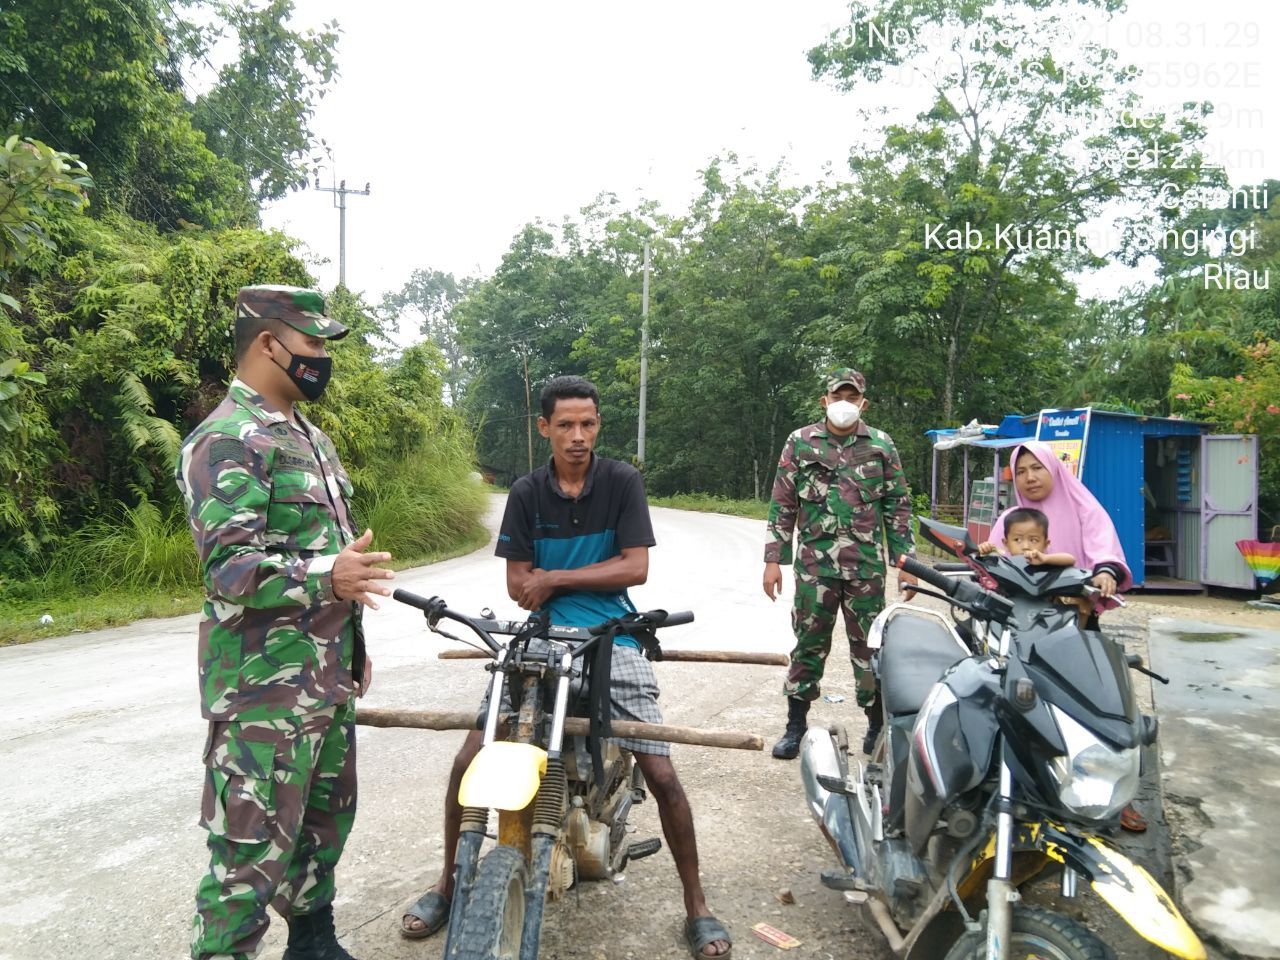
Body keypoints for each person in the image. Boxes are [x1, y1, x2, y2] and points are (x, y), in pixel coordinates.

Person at [401, 375, 731, 960]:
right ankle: (448, 883)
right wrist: (548, 584)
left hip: (613, 637)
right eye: (566, 425)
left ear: (597, 426)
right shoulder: (527, 493)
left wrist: (554, 578)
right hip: (542, 637)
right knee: (467, 758)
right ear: (545, 428)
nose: (578, 436)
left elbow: (634, 570)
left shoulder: (621, 481)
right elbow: (514, 584)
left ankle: (697, 904)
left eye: (589, 424)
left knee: (660, 770)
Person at [177, 285, 395, 960]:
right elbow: (229, 569)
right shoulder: (224, 440)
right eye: (314, 345)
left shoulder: (309, 437)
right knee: (246, 857)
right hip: (261, 695)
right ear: (269, 344)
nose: (322, 359)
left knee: (323, 829)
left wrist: (349, 645)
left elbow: (325, 553)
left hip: (321, 683)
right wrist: (326, 577)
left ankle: (314, 945)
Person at [986, 441, 1146, 832]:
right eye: (1021, 471)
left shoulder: (1082, 505)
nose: (1030, 477)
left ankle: (1118, 791)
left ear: (1053, 468)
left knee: (1098, 699)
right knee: (1012, 696)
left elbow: (1102, 549)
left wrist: (1105, 573)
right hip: (1018, 622)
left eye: (1036, 468)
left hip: (1074, 618)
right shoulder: (1012, 516)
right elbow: (988, 568)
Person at [763, 368, 915, 761]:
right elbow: (783, 503)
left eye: (853, 397)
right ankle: (795, 724)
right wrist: (773, 560)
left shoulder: (881, 445)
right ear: (825, 400)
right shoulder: (800, 443)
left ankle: (877, 726)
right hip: (815, 568)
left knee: (871, 648)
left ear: (863, 403)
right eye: (838, 396)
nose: (844, 403)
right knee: (808, 644)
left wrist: (907, 563)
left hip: (865, 569)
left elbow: (897, 506)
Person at [978, 506, 1094, 625]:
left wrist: (1045, 558)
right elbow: (980, 569)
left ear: (1045, 543)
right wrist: (984, 553)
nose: (1025, 546)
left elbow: (1070, 559)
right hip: (1008, 620)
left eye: (1033, 540)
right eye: (1017, 540)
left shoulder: (1046, 563)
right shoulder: (1004, 564)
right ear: (1006, 543)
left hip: (1043, 622)